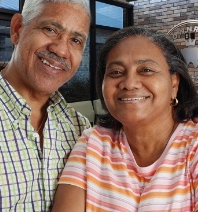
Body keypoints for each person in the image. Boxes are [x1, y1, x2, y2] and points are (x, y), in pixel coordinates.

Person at [0, 0, 91, 211]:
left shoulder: (80, 129)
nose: (60, 50)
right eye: (50, 29)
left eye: (75, 40)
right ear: (17, 29)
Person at [52, 26, 198, 211]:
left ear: (174, 84)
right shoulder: (93, 144)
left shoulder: (193, 147)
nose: (129, 83)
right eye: (116, 72)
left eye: (146, 70)